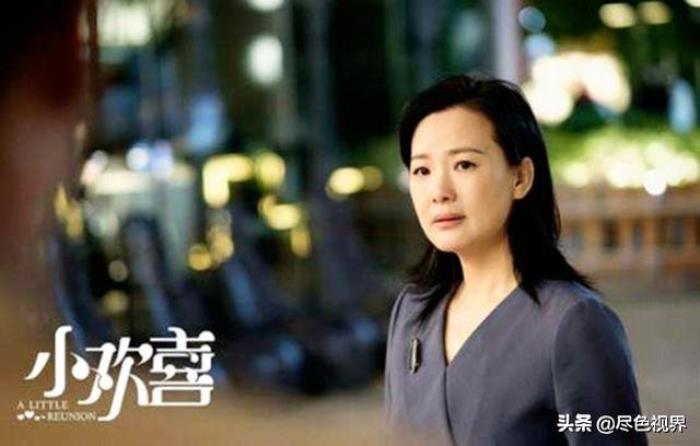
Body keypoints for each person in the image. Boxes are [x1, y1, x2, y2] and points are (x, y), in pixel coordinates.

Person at [383, 75, 647, 445]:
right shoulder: (412, 312)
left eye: (464, 165)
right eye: (422, 170)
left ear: (521, 177)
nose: (439, 192)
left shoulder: (573, 321)